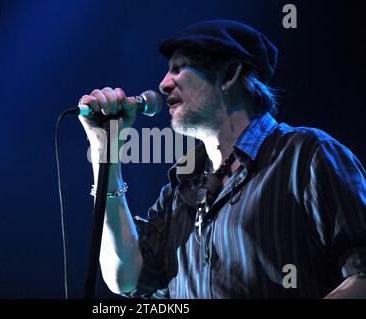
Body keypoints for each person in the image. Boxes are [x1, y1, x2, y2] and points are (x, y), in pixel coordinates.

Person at [78, 20, 366, 298]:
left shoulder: (306, 156)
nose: (164, 84)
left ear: (229, 74)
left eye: (179, 68)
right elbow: (125, 277)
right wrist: (105, 153)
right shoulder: (181, 190)